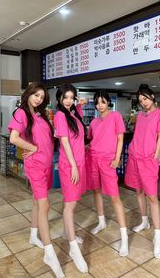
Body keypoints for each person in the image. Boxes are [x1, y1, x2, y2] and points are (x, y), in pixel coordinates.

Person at [9, 82, 64, 278]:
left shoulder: (39, 115)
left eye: (41, 97)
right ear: (28, 94)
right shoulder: (21, 113)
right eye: (36, 95)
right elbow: (14, 138)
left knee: (36, 201)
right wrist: (31, 148)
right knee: (44, 205)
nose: (38, 99)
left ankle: (33, 235)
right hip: (35, 165)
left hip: (46, 165)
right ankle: (49, 253)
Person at [124, 84, 160, 259]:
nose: (143, 103)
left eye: (145, 98)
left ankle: (157, 238)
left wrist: (155, 155)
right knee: (138, 191)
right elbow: (137, 135)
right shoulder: (140, 116)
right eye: (140, 100)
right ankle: (144, 221)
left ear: (152, 96)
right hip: (134, 156)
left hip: (148, 160)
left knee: (152, 197)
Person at [86, 90, 128, 257]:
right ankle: (101, 221)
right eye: (97, 102)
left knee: (114, 196)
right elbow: (92, 141)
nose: (100, 105)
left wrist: (117, 158)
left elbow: (120, 139)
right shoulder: (94, 122)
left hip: (108, 161)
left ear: (108, 102)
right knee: (96, 191)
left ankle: (124, 237)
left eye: (103, 102)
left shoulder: (116, 116)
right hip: (93, 159)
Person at [54, 84, 88, 273]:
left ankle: (68, 233)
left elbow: (78, 128)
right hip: (70, 165)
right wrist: (74, 165)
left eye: (71, 97)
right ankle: (73, 248)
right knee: (70, 204)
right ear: (59, 98)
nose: (68, 101)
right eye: (65, 97)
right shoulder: (60, 116)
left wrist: (80, 104)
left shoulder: (72, 114)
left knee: (71, 202)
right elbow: (65, 141)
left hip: (79, 163)